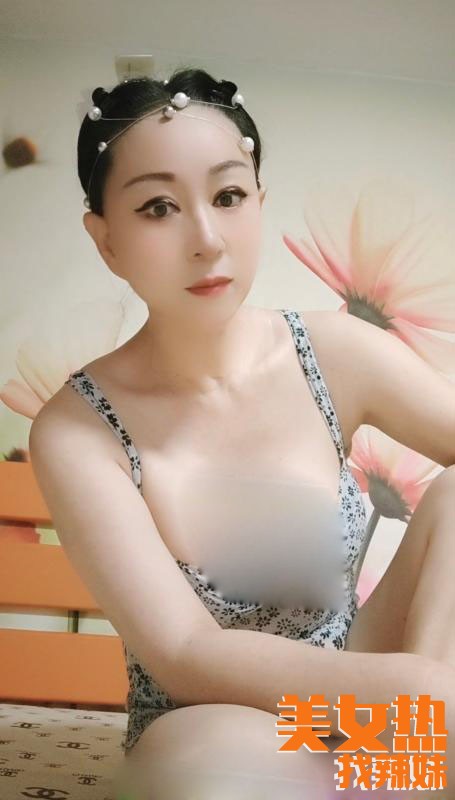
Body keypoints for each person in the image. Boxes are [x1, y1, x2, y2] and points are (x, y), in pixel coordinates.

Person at [29, 67, 455, 799]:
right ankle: (418, 762)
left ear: (258, 203)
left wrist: (424, 690)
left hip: (378, 702)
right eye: (158, 207)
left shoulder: (336, 351)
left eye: (227, 197)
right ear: (106, 240)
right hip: (217, 723)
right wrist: (421, 688)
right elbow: (184, 652)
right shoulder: (76, 431)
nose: (206, 239)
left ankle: (418, 758)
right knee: (203, 774)